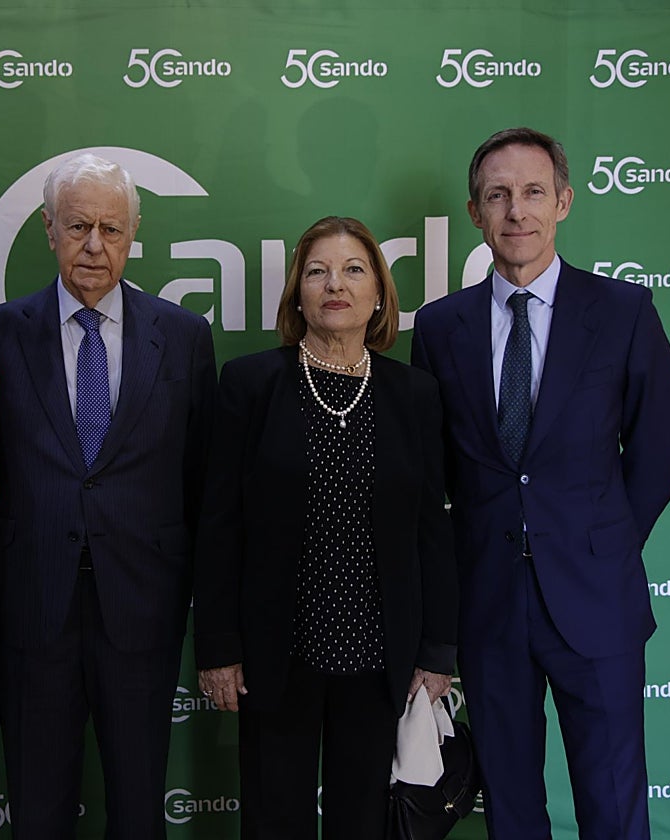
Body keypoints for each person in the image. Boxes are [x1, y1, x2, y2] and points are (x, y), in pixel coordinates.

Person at [411, 127, 670, 839]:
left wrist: (602, 545)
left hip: (597, 600)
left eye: (533, 192)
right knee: (510, 805)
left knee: (613, 800)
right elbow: (434, 472)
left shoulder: (623, 312)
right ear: (475, 211)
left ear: (563, 202)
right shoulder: (439, 327)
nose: (517, 211)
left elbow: (655, 453)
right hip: (489, 603)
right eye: (497, 195)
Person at [195, 216, 458, 838]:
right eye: (318, 272)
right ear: (298, 294)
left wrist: (437, 650)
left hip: (380, 655)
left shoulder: (414, 394)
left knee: (363, 821)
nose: (335, 284)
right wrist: (218, 648)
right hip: (276, 654)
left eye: (353, 270)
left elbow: (432, 530)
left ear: (379, 294)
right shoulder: (250, 384)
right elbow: (219, 526)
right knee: (274, 818)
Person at [0, 153, 217, 839]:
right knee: (37, 808)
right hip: (33, 603)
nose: (94, 246)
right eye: (78, 225)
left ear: (133, 234)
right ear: (48, 228)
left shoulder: (183, 336)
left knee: (139, 807)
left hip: (143, 604)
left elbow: (201, 481)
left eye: (111, 229)